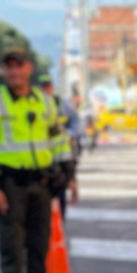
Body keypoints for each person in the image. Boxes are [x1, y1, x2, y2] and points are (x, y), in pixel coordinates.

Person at [0, 50, 75, 273]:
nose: (14, 72)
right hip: (10, 187)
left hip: (41, 185)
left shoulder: (44, 101)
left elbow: (58, 140)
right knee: (12, 250)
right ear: (3, 71)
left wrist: (69, 174)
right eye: (9, 67)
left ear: (29, 68)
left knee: (39, 246)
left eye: (19, 66)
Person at [38, 72, 80, 223]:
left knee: (59, 199)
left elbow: (74, 119)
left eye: (47, 86)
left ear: (52, 87)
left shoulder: (62, 103)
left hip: (62, 151)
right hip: (40, 162)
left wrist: (71, 134)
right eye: (43, 86)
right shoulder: (34, 104)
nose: (45, 89)